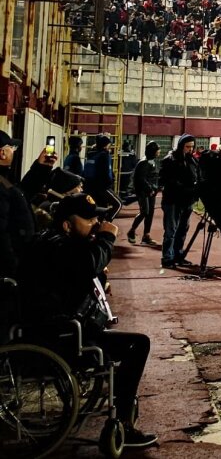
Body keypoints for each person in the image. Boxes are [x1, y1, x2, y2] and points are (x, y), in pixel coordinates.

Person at [18, 193, 158, 449]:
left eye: (96, 218)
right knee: (137, 345)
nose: (95, 223)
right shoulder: (59, 246)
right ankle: (123, 423)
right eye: (88, 219)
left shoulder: (52, 242)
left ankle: (124, 416)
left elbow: (72, 279)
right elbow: (87, 264)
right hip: (60, 338)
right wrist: (106, 238)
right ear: (66, 224)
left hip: (53, 331)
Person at [159, 134, 199, 269]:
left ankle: (178, 255)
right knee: (171, 231)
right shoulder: (170, 160)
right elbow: (167, 181)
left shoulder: (192, 160)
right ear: (181, 146)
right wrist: (187, 189)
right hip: (173, 200)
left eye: (192, 147)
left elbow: (196, 176)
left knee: (182, 230)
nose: (190, 149)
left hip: (187, 201)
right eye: (187, 147)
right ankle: (167, 258)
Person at [0, 131, 35, 278]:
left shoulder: (5, 179)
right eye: (12, 148)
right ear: (2, 153)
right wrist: (14, 268)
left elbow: (20, 194)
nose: (13, 152)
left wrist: (41, 168)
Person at [127, 143, 160, 245]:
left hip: (151, 191)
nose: (159, 151)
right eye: (157, 149)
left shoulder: (152, 161)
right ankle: (131, 231)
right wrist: (150, 189)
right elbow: (141, 179)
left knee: (150, 213)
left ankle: (146, 235)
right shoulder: (144, 162)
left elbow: (153, 177)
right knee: (145, 212)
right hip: (143, 192)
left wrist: (156, 188)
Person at [81, 135, 118, 214]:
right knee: (118, 204)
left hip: (90, 186)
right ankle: (108, 220)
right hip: (102, 187)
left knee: (97, 208)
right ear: (105, 145)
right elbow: (105, 172)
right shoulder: (104, 155)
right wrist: (110, 182)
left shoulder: (91, 155)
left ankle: (99, 220)